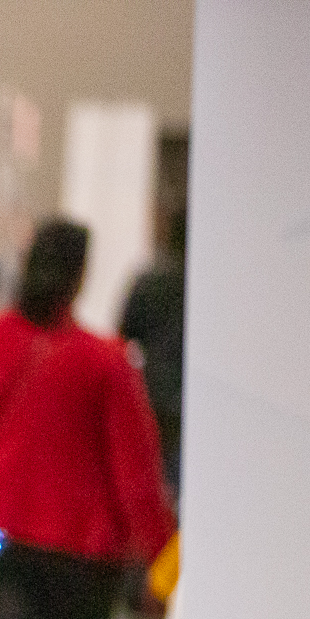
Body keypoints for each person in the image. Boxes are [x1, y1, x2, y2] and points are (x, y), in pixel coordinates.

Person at [0, 219, 176, 619]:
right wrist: (164, 557)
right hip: (83, 559)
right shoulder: (106, 363)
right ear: (79, 277)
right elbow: (135, 475)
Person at [118, 209, 187, 496]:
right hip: (190, 398)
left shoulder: (149, 280)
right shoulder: (212, 282)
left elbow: (125, 334)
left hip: (153, 394)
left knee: (156, 477)